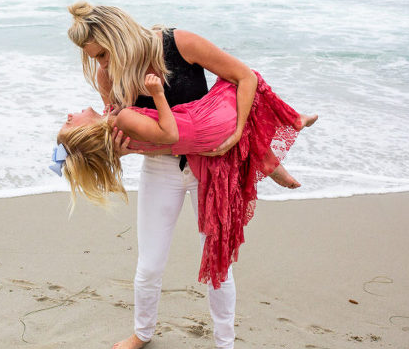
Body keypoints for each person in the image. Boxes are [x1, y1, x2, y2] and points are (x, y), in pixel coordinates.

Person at [61, 1, 315, 349]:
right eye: (95, 59)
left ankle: (226, 347)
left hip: (211, 167)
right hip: (161, 169)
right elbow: (133, 137)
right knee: (148, 265)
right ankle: (142, 332)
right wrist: (121, 151)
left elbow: (245, 78)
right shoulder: (108, 77)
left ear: (117, 34)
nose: (101, 66)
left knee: (218, 264)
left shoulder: (180, 44)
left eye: (103, 54)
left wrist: (236, 134)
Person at [54, 71, 316, 282]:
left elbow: (159, 143)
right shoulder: (121, 120)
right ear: (85, 133)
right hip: (201, 125)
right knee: (243, 79)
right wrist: (157, 93)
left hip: (198, 134)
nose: (68, 115)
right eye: (69, 123)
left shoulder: (116, 126)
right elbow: (169, 136)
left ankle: (270, 160)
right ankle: (292, 119)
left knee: (243, 111)